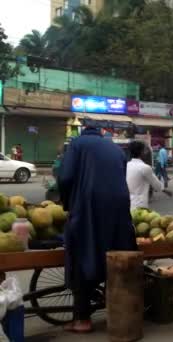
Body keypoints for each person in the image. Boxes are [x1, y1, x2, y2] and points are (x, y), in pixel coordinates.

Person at [58, 126, 136, 333]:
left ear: (83, 132)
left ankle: (82, 320)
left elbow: (65, 177)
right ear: (100, 134)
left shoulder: (77, 144)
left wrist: (67, 203)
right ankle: (121, 310)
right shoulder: (115, 148)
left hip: (89, 204)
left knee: (82, 253)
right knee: (115, 252)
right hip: (119, 205)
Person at [127, 141, 172, 210]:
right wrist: (166, 191)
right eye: (144, 150)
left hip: (127, 203)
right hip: (140, 205)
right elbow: (155, 183)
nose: (146, 152)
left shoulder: (127, 165)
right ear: (141, 152)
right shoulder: (145, 167)